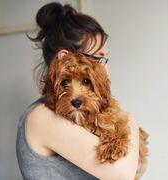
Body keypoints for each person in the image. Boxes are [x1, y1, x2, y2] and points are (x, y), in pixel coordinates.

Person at [16, 2, 140, 180]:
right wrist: (129, 120)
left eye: (105, 59)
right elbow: (122, 174)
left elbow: (137, 168)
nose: (106, 70)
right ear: (66, 58)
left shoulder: (84, 114)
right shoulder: (41, 117)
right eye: (99, 59)